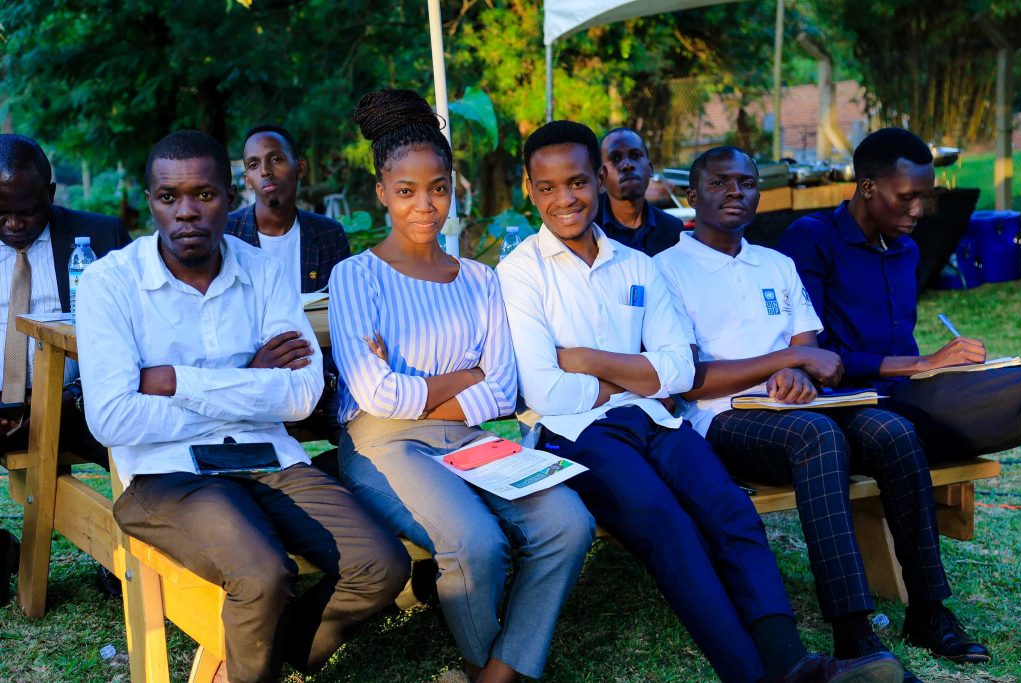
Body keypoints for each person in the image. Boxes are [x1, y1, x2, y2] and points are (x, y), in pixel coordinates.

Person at [497, 120, 902, 683]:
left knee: (730, 510)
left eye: (578, 181)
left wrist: (590, 360)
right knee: (665, 522)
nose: (565, 198)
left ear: (600, 177)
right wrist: (641, 375)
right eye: (547, 187)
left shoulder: (637, 265)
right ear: (528, 187)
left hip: (658, 420)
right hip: (575, 431)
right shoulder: (519, 274)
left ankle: (792, 663)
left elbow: (680, 369)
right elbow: (545, 389)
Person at [76, 130, 409, 683]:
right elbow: (112, 417)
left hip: (268, 457)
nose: (186, 212)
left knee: (381, 566)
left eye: (204, 195)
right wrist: (249, 380)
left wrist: (177, 381)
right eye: (169, 197)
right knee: (262, 573)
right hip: (167, 472)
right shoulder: (110, 283)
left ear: (230, 195)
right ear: (149, 200)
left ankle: (263, 659)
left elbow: (302, 396)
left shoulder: (262, 272)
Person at [655, 145, 988, 682]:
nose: (735, 192)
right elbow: (689, 378)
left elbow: (815, 352)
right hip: (722, 418)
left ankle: (928, 610)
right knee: (816, 437)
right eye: (720, 184)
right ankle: (853, 626)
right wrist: (791, 360)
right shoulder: (664, 271)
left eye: (745, 182)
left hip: (802, 404)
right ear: (692, 197)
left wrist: (803, 373)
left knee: (894, 431)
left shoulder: (775, 263)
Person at [331, 90, 594, 683]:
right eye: (406, 191)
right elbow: (378, 398)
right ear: (381, 192)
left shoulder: (480, 279)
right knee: (476, 545)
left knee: (568, 524)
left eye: (439, 188)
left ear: (454, 187)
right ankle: (486, 668)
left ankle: (499, 672)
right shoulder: (356, 276)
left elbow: (502, 390)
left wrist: (423, 383)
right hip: (384, 445)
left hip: (469, 439)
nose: (425, 205)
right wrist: (465, 376)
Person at [777, 127, 1021, 464]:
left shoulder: (906, 249)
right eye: (907, 197)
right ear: (867, 187)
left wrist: (940, 366)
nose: (919, 210)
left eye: (925, 197)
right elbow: (814, 358)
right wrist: (924, 362)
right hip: (856, 407)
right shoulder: (812, 240)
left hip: (914, 392)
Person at [0, 133, 132, 601]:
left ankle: (130, 554)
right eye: (1, 213)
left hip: (78, 403)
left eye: (28, 211)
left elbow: (138, 331)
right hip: (1, 408)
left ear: (51, 195)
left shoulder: (100, 237)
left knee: (148, 446)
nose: (14, 223)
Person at [227, 124, 351, 294]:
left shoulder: (329, 235)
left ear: (300, 168)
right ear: (247, 180)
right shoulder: (226, 234)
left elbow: (342, 305)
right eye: (254, 164)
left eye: (276, 159)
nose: (265, 171)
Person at [596, 127, 683, 256]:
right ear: (601, 176)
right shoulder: (590, 229)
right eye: (615, 158)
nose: (627, 165)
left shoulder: (672, 229)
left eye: (635, 155)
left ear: (650, 169)